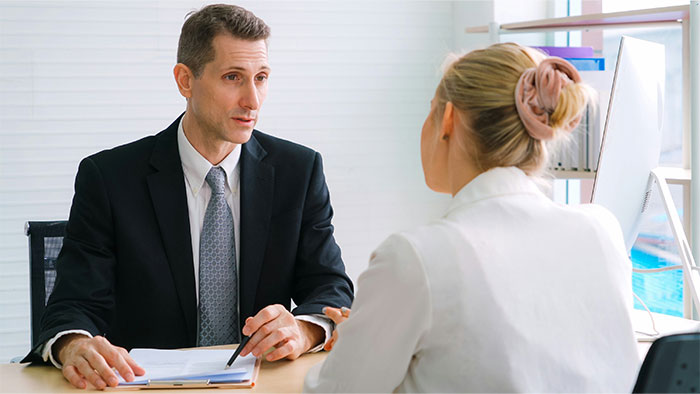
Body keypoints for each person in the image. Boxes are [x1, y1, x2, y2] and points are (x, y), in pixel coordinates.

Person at [20, 4, 354, 390]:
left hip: (261, 385)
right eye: (233, 77)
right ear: (185, 80)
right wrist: (75, 345)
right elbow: (71, 306)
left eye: (261, 78)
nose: (253, 100)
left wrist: (303, 329)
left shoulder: (299, 170)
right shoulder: (109, 179)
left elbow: (330, 287)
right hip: (145, 386)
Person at [304, 43, 640, 392]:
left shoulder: (416, 258)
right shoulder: (601, 230)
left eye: (430, 111)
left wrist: (351, 347)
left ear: (448, 119)